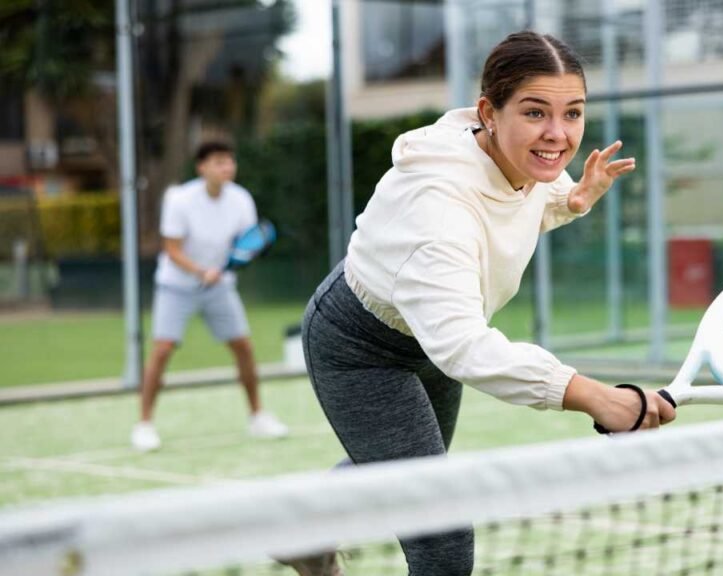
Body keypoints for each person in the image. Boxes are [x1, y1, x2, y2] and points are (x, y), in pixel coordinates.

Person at [294, 31, 676, 576]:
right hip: (360, 348)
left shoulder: (511, 158)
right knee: (442, 531)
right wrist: (595, 397)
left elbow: (525, 195)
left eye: (573, 114)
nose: (557, 134)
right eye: (535, 112)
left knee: (399, 468)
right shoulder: (438, 207)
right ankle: (303, 530)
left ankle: (301, 532)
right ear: (488, 113)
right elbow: (464, 347)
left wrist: (573, 198)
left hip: (429, 337)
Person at [130, 141, 289, 452]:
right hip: (176, 285)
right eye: (219, 162)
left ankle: (257, 416)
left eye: (230, 161)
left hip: (219, 286)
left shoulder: (241, 199)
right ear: (202, 167)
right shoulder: (181, 200)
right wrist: (201, 271)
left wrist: (225, 267)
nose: (227, 167)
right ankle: (144, 425)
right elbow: (172, 250)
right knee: (162, 350)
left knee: (243, 346)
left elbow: (244, 244)